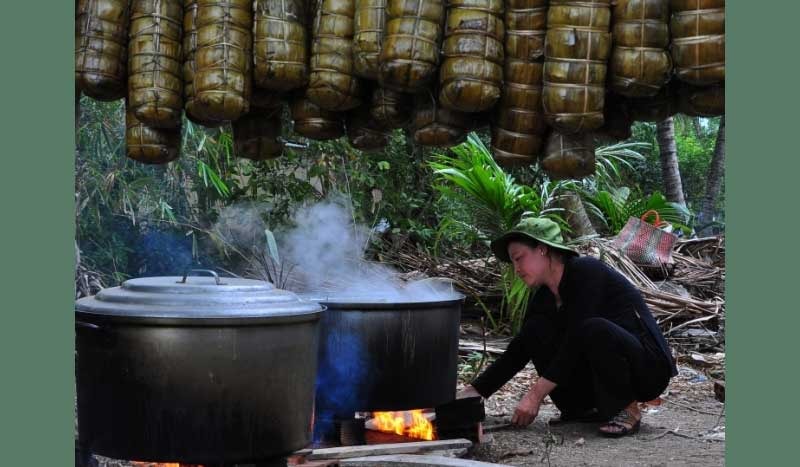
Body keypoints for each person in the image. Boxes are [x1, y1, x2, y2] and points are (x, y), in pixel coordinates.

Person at [458, 217, 677, 437]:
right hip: (604, 373)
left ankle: (627, 410)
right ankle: (581, 408)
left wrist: (534, 396)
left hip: (647, 369)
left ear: (542, 250)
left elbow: (578, 337)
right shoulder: (544, 298)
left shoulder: (586, 272)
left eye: (519, 259)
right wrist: (474, 392)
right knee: (535, 331)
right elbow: (519, 350)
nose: (517, 269)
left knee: (593, 329)